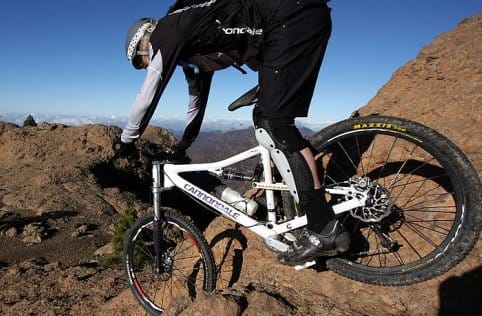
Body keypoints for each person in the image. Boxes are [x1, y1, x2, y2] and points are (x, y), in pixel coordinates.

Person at [116, 0, 350, 265]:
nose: (146, 65)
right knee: (266, 121)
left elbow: (150, 90)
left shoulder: (166, 31)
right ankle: (296, 211)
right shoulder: (193, 55)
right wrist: (186, 143)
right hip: (289, 24)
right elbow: (196, 104)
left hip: (289, 17)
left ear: (145, 37)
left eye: (141, 58)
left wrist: (127, 139)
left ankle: (324, 228)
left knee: (276, 124)